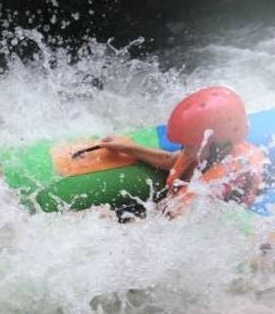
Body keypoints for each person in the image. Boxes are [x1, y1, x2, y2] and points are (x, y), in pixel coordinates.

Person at [99, 86, 266, 218]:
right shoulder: (205, 148)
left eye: (189, 145)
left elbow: (176, 214)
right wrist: (126, 147)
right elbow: (170, 160)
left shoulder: (232, 169)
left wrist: (115, 223)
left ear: (216, 144)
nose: (185, 149)